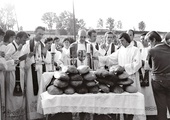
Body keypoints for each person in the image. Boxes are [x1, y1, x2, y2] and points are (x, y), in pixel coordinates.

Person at [95, 33, 142, 120]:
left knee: (131, 100)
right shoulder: (120, 50)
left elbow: (138, 63)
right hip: (121, 78)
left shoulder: (135, 50)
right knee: (122, 100)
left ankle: (130, 118)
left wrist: (124, 67)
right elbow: (110, 58)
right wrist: (98, 58)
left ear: (127, 40)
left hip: (132, 77)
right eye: (120, 41)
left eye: (122, 41)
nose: (121, 43)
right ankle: (123, 117)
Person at [5, 31, 29, 120]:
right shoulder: (10, 46)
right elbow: (6, 61)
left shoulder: (22, 47)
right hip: (12, 73)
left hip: (20, 73)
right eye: (23, 39)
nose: (25, 42)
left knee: (20, 94)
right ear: (17, 38)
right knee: (12, 94)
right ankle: (12, 116)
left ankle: (19, 116)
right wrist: (17, 53)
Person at [23, 26, 45, 119]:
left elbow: (44, 58)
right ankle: (32, 116)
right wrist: (31, 55)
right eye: (39, 33)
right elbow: (23, 58)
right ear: (35, 32)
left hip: (40, 71)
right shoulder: (28, 44)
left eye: (42, 34)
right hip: (31, 72)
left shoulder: (42, 44)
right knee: (31, 91)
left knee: (41, 91)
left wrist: (44, 55)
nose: (41, 36)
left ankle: (41, 114)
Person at [146, 31, 170, 120]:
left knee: (161, 108)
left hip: (157, 81)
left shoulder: (151, 51)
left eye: (149, 41)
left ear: (154, 40)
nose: (149, 44)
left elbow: (149, 66)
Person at [139, 32, 157, 117]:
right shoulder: (139, 50)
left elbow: (152, 64)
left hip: (150, 75)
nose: (143, 41)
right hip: (141, 75)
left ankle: (152, 113)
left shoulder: (152, 50)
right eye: (141, 40)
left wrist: (144, 63)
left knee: (151, 94)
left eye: (144, 39)